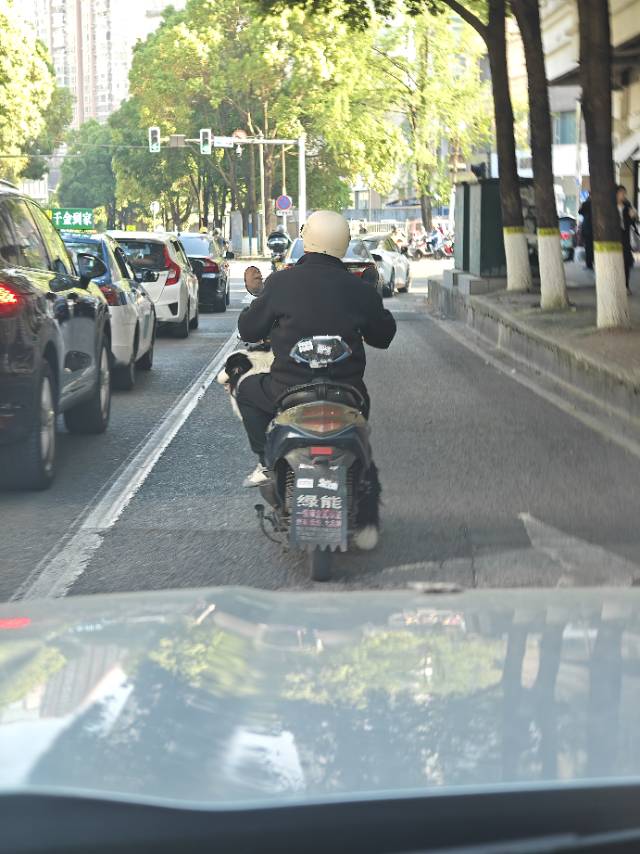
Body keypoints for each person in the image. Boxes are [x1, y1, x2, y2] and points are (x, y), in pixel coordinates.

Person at [236, 209, 397, 488]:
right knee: (362, 424)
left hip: (287, 389)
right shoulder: (359, 289)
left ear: (307, 240)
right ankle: (357, 478)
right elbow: (383, 337)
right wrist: (373, 299)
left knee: (247, 390)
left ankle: (266, 461)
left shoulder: (280, 282)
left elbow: (249, 330)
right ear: (343, 243)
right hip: (347, 392)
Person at [616, 185, 639, 294]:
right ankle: (617, 285)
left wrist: (633, 215)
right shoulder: (611, 206)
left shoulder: (627, 205)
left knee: (626, 262)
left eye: (624, 193)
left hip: (625, 237)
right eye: (621, 193)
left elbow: (633, 220)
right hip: (615, 237)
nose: (623, 195)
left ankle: (626, 285)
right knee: (616, 263)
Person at [578, 195, 593, 270]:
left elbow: (580, 212)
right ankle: (593, 262)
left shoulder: (586, 203)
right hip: (595, 228)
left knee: (588, 247)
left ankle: (589, 264)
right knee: (592, 247)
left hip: (587, 228)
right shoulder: (599, 203)